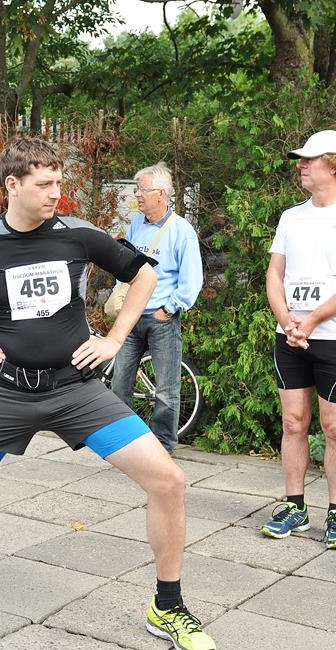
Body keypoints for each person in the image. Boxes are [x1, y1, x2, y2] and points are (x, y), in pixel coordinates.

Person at [0, 136, 216, 650]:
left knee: (169, 480)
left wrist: (114, 339)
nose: (56, 192)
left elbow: (145, 275)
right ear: (12, 185)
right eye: (44, 184)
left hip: (76, 390)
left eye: (59, 182)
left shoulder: (79, 234)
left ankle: (167, 606)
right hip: (7, 392)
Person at [260, 130, 336, 550]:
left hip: (334, 338)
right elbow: (274, 274)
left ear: (335, 165)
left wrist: (312, 320)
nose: (301, 165)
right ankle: (295, 506)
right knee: (293, 422)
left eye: (309, 159)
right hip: (290, 336)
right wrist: (287, 320)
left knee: (335, 427)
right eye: (301, 159)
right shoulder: (291, 217)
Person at [110, 162, 203, 453]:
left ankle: (164, 445)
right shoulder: (136, 225)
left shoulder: (182, 230)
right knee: (119, 384)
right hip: (131, 316)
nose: (137, 194)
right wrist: (120, 292)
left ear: (161, 194)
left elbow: (192, 280)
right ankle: (126, 443)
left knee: (165, 390)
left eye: (142, 190)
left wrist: (169, 308)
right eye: (137, 190)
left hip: (161, 318)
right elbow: (125, 264)